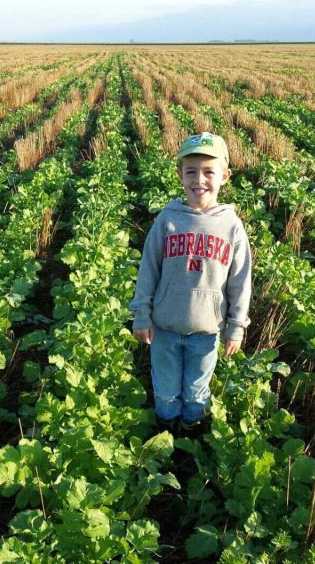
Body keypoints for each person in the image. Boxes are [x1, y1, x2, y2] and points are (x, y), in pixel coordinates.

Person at [129, 132, 253, 433]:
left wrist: (236, 327)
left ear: (225, 176)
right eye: (191, 171)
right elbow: (148, 271)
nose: (199, 179)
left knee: (197, 390)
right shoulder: (168, 220)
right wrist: (141, 315)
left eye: (209, 172)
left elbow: (240, 280)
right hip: (164, 329)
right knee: (166, 389)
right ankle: (166, 428)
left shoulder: (231, 227)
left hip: (207, 332)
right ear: (180, 175)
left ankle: (190, 431)